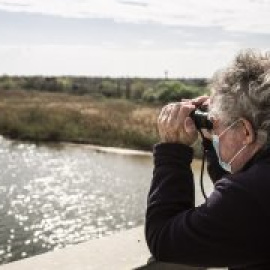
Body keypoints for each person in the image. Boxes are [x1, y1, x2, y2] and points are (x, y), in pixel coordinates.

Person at [145, 50, 270, 270]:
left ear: (246, 131)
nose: (215, 133)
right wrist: (213, 132)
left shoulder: (249, 197)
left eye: (216, 125)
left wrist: (172, 149)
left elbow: (163, 238)